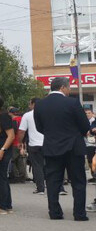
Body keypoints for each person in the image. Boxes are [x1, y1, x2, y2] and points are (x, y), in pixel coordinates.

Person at [33, 77, 90, 221]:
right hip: (73, 147)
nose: (70, 90)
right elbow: (85, 126)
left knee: (52, 181)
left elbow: (39, 127)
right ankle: (79, 214)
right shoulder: (72, 102)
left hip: (51, 146)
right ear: (63, 88)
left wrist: (52, 135)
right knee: (78, 181)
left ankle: (55, 213)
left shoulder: (40, 105)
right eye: (69, 87)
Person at [0, 96, 15, 214]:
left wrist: (2, 150)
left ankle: (3, 206)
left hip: (1, 150)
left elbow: (11, 135)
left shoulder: (2, 116)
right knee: (1, 178)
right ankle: (7, 204)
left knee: (1, 178)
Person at [18, 97, 46, 195]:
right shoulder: (47, 113)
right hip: (48, 143)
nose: (29, 106)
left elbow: (21, 131)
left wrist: (20, 142)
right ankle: (59, 188)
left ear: (33, 104)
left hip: (34, 144)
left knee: (37, 166)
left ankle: (40, 188)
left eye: (30, 104)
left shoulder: (27, 115)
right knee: (51, 166)